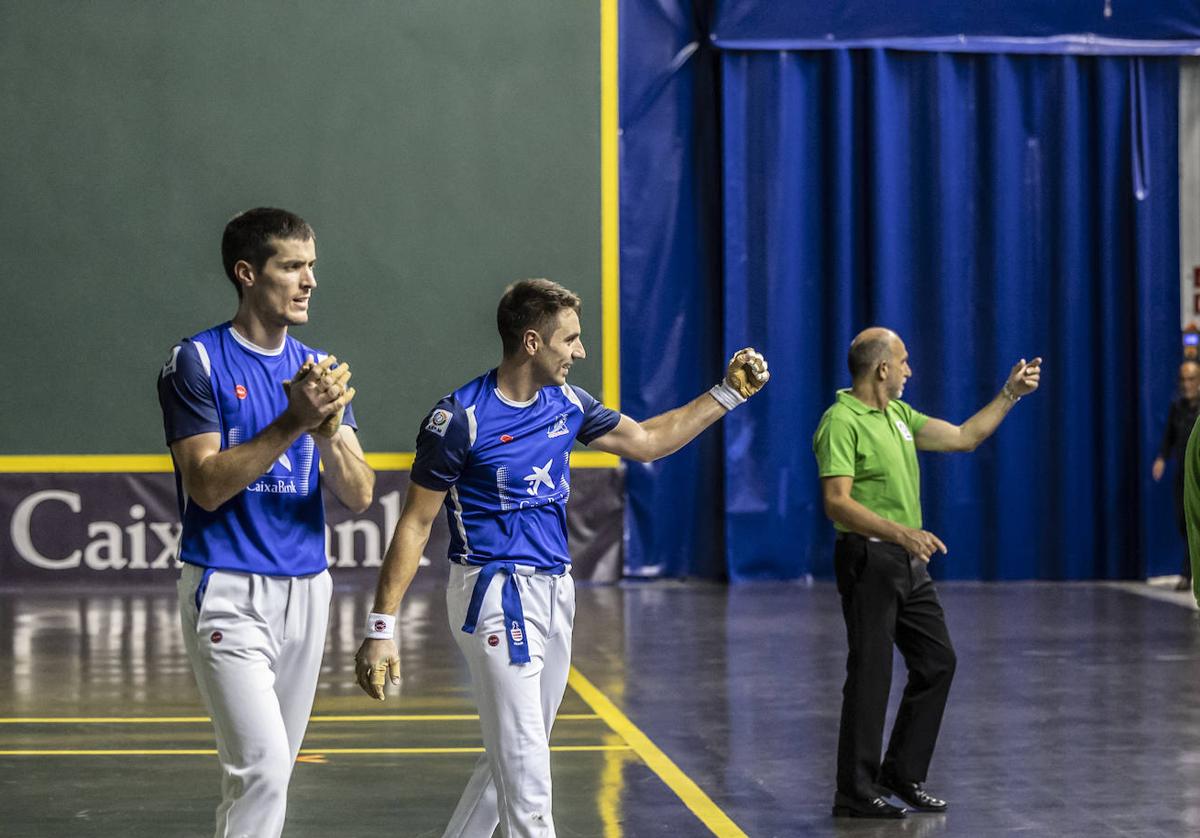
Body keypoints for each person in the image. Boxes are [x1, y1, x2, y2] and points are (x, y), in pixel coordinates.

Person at [354, 278, 768, 838]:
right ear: (532, 342)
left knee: (513, 750)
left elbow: (647, 440)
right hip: (494, 594)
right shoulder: (460, 419)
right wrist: (381, 628)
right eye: (570, 339)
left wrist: (727, 393)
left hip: (555, 591)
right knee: (528, 772)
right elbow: (415, 523)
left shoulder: (569, 404)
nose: (580, 352)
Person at [157, 207, 375, 838]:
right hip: (227, 587)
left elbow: (359, 494)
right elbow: (204, 486)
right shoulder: (196, 360)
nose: (308, 281)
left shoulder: (317, 369)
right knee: (263, 769)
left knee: (265, 776)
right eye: (292, 267)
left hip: (308, 588)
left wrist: (331, 430)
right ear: (247, 273)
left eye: (312, 267)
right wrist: (291, 423)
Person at [812, 327, 1041, 819]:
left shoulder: (899, 416)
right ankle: (854, 791)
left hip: (907, 559)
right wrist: (900, 533)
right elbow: (837, 501)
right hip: (869, 558)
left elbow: (964, 437)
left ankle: (901, 772)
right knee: (871, 674)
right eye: (904, 362)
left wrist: (1009, 395)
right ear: (882, 369)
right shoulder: (840, 421)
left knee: (938, 662)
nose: (909, 371)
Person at [1152, 360, 1200, 590]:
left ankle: (1187, 574)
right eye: (1183, 379)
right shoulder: (1177, 407)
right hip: (1183, 472)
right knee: (1184, 521)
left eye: (1191, 379)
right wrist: (1161, 458)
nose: (1186, 384)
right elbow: (1169, 436)